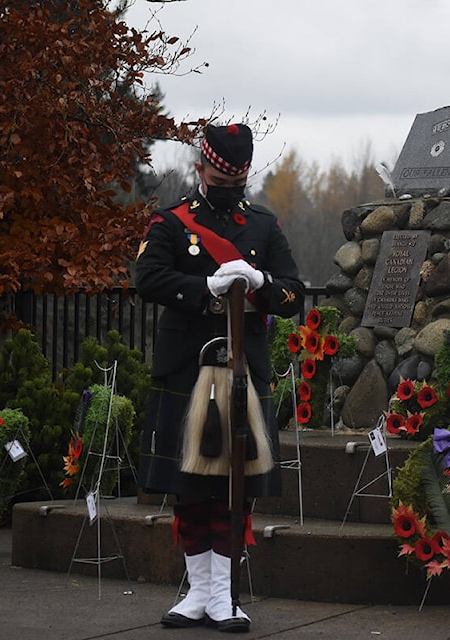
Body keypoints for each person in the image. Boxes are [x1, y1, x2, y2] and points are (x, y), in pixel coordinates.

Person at [135, 123, 304, 633]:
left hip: (242, 370)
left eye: (237, 177)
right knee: (188, 487)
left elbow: (294, 293)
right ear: (200, 167)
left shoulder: (263, 227)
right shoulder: (170, 223)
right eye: (219, 174)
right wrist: (205, 287)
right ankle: (199, 592)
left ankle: (225, 593)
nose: (229, 184)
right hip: (187, 365)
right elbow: (147, 278)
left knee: (236, 489)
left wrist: (263, 284)